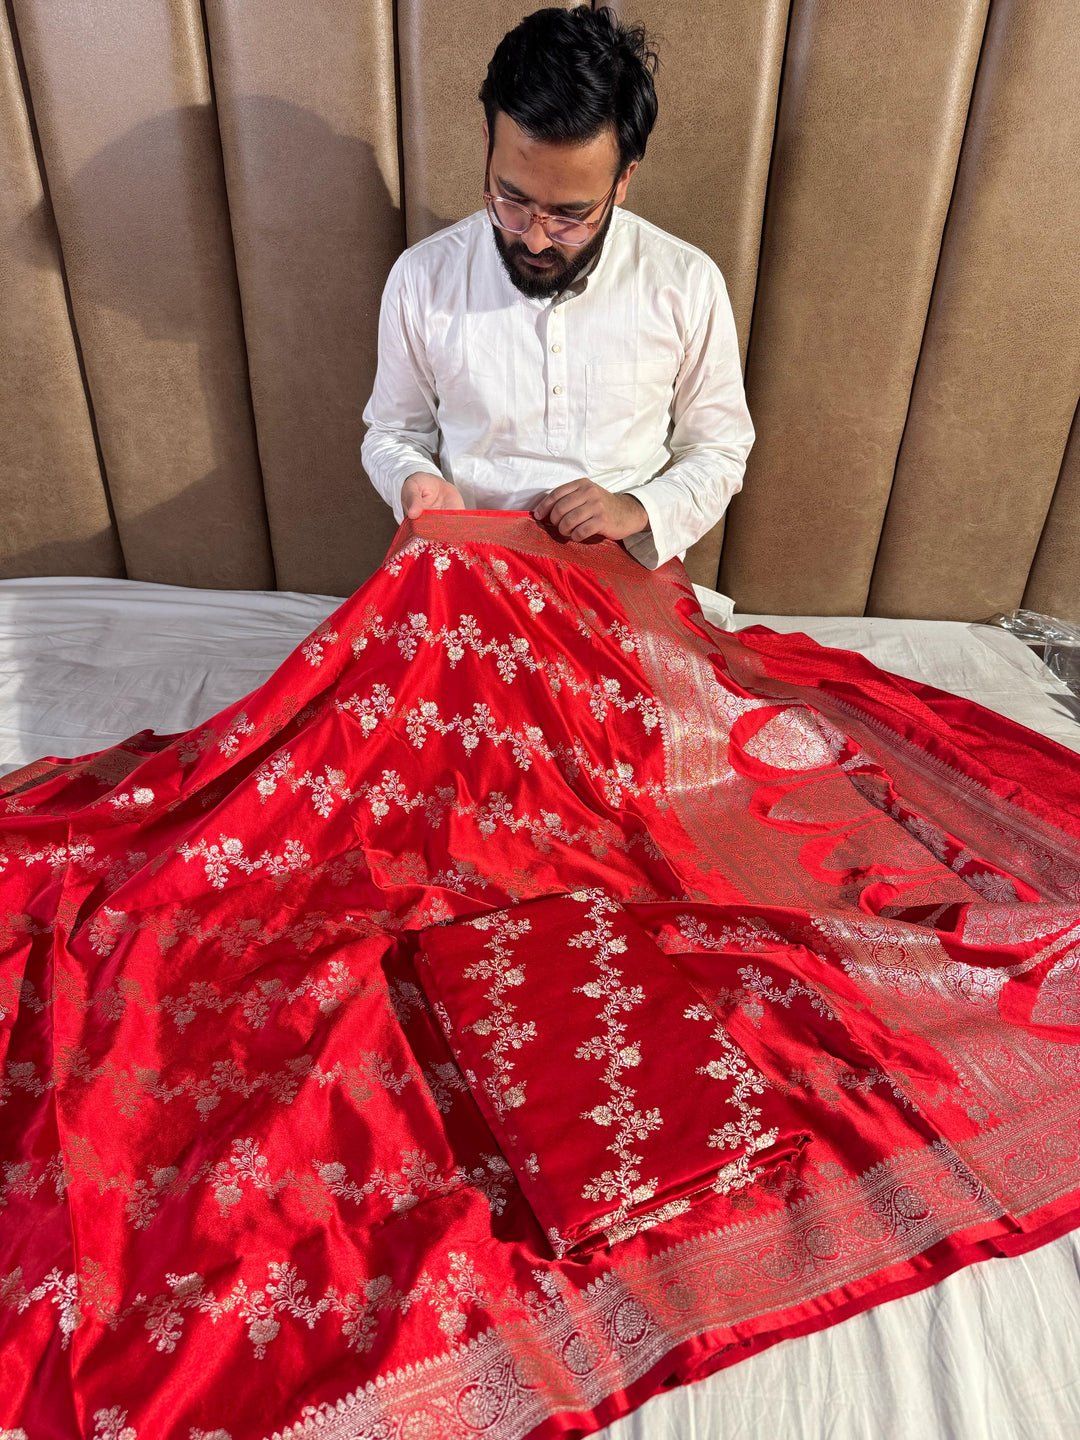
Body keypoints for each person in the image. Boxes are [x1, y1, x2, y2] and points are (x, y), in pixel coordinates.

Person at [361, 4, 754, 570]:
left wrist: (636, 507)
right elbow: (392, 432)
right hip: (468, 574)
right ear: (487, 144)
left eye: (571, 215)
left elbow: (719, 449)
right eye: (512, 200)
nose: (538, 241)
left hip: (621, 581)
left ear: (623, 180)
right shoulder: (422, 279)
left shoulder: (685, 284)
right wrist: (413, 479)